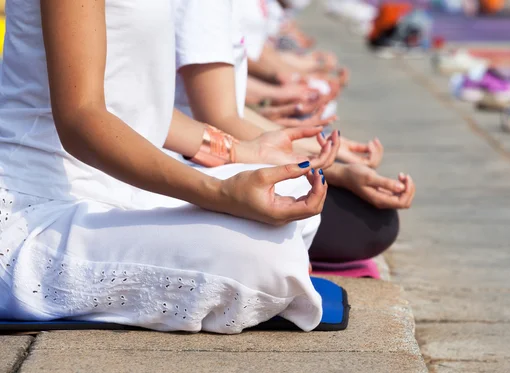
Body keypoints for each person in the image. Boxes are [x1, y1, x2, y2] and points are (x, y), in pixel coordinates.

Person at [0, 0, 334, 334]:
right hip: (40, 206)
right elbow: (81, 118)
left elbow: (136, 104)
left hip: (126, 194)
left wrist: (242, 150)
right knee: (266, 261)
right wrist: (218, 193)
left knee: (293, 194)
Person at [174, 0, 415, 264]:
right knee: (371, 224)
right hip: (177, 163)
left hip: (195, 148)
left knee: (371, 215)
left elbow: (227, 111)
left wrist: (324, 155)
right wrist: (327, 167)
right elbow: (218, 118)